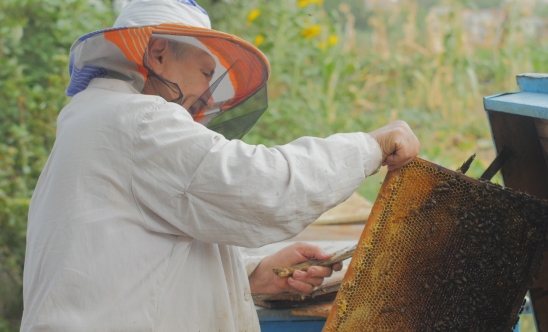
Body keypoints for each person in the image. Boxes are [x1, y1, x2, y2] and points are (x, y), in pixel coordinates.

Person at [20, 0, 420, 331]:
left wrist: (254, 273)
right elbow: (264, 189)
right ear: (159, 54)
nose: (207, 99)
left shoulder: (97, 118)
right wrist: (370, 147)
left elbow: (132, 257)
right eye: (205, 73)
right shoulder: (137, 121)